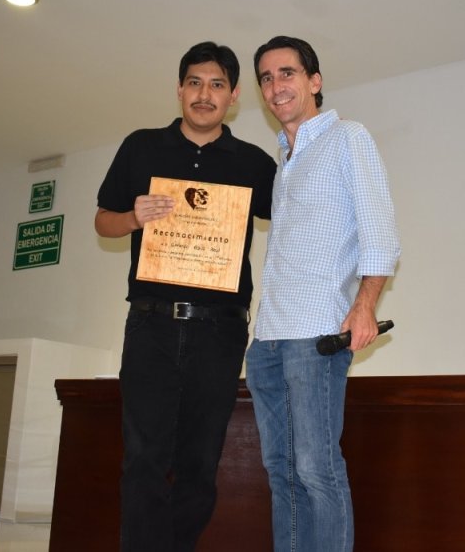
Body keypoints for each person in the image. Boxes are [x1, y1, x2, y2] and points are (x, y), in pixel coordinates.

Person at [94, 41, 277, 551]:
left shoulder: (254, 163)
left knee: (200, 463)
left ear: (234, 96)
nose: (204, 94)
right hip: (150, 325)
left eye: (217, 85)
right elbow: (103, 221)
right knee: (143, 459)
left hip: (220, 330)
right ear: (179, 89)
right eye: (194, 82)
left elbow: (296, 216)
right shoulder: (141, 147)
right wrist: (134, 218)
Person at [246, 36, 400, 551]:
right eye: (266, 78)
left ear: (314, 82)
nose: (276, 86)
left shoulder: (347, 137)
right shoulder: (283, 162)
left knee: (317, 469)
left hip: (316, 337)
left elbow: (380, 231)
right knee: (281, 473)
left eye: (287, 73)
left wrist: (365, 305)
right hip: (266, 341)